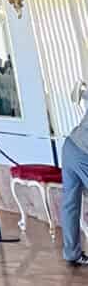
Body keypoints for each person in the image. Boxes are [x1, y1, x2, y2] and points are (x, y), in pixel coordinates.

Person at [61, 82, 88, 268]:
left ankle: (71, 253)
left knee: (70, 203)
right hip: (84, 152)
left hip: (70, 146)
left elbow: (78, 93)